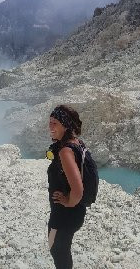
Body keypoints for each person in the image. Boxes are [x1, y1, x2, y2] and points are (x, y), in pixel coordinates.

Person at [46, 105, 87, 269]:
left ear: (65, 125)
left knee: (57, 251)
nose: (50, 126)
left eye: (55, 123)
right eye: (49, 122)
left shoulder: (65, 151)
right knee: (62, 250)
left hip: (65, 214)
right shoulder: (77, 143)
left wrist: (69, 202)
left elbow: (78, 190)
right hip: (75, 213)